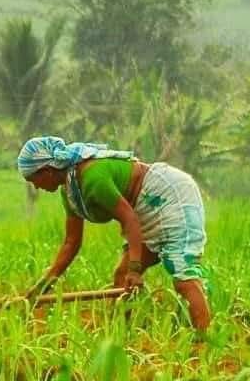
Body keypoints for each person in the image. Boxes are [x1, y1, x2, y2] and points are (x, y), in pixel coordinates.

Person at [17, 136, 211, 330]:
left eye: (33, 179)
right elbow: (71, 242)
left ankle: (204, 339)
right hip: (142, 206)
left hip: (166, 194)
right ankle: (122, 334)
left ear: (47, 171)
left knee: (182, 277)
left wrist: (136, 269)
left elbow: (130, 220)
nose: (35, 186)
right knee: (122, 274)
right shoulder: (71, 191)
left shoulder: (93, 178)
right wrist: (44, 285)